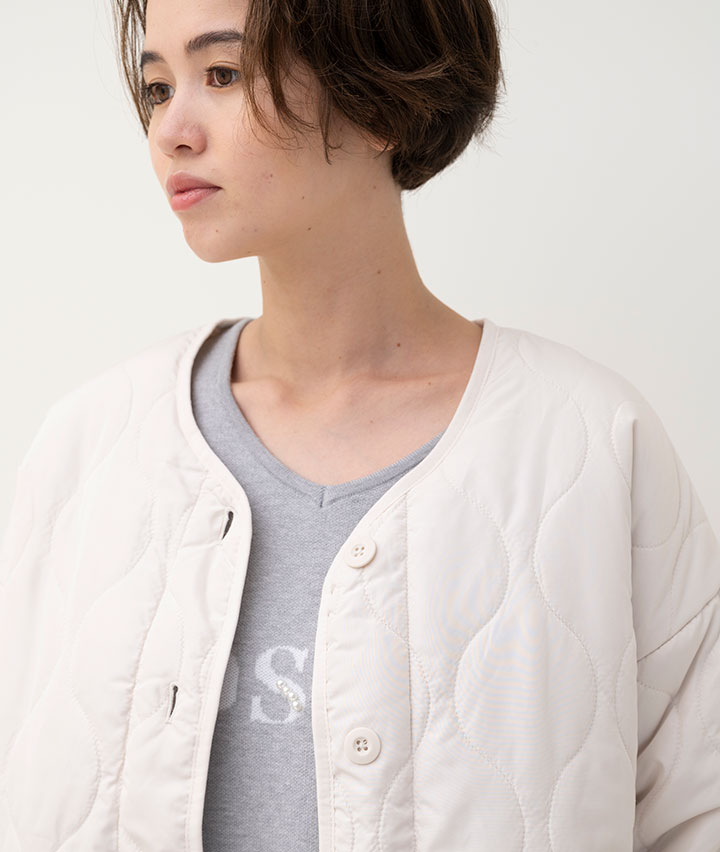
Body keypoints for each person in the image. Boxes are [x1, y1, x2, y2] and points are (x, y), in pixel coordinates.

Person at [1, 0, 718, 849]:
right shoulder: (91, 447)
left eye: (222, 74)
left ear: (379, 97)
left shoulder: (588, 447)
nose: (171, 132)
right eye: (159, 87)